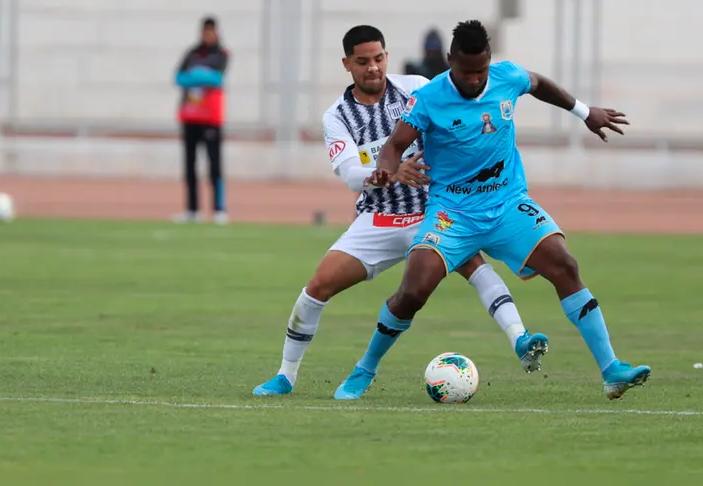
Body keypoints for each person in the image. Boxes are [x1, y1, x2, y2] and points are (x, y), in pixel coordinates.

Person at [334, 20, 651, 402]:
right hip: (451, 213)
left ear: (489, 62)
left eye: (481, 71)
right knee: (413, 291)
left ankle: (612, 369)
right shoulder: (430, 98)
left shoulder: (507, 76)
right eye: (466, 72)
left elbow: (539, 84)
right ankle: (364, 369)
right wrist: (385, 166)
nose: (474, 80)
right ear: (450, 61)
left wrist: (585, 112)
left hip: (507, 204)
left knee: (564, 265)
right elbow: (395, 144)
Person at [252, 25, 549, 397]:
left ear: (386, 56)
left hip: (433, 211)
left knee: (475, 264)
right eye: (363, 62)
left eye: (378, 58)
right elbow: (349, 175)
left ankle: (521, 338)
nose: (373, 68)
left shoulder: (417, 88)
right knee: (317, 287)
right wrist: (390, 173)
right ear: (347, 64)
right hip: (379, 218)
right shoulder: (338, 116)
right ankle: (286, 375)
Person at [172, 16, 230, 225]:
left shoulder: (222, 54)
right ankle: (192, 209)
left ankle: (219, 209)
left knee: (214, 164)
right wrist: (201, 76)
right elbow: (179, 78)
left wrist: (196, 75)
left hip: (211, 117)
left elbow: (217, 79)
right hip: (191, 115)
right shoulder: (192, 53)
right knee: (190, 165)